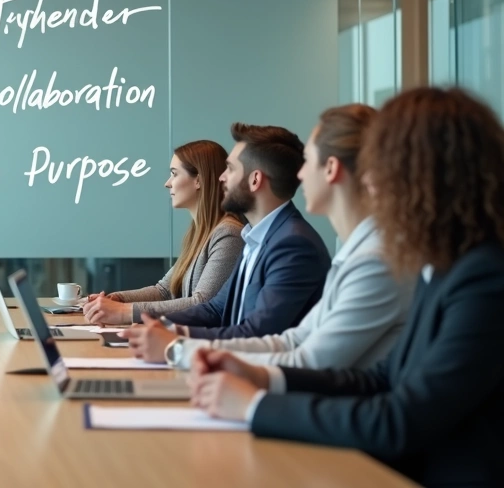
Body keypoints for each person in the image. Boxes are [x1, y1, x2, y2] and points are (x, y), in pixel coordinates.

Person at [189, 87, 504, 487]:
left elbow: (400, 420)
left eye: (381, 166)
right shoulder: (441, 267)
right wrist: (260, 377)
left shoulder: (483, 278)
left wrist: (255, 406)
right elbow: (379, 380)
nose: (369, 180)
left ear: (424, 175)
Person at [162, 105, 411, 370]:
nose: (300, 174)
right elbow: (293, 339)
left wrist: (180, 348)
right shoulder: (257, 237)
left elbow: (295, 351)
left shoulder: (301, 245)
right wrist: (168, 332)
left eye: (309, 161)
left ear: (331, 168)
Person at [125, 123, 330, 363]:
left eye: (230, 169)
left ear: (255, 180)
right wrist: (160, 326)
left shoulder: (293, 245)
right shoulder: (255, 236)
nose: (221, 177)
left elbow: (257, 333)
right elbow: (215, 309)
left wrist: (175, 340)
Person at [83, 140, 244, 325]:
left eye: (174, 174)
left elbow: (202, 304)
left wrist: (124, 311)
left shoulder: (228, 234)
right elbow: (164, 291)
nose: (168, 183)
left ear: (199, 180)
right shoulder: (199, 233)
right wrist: (117, 299)